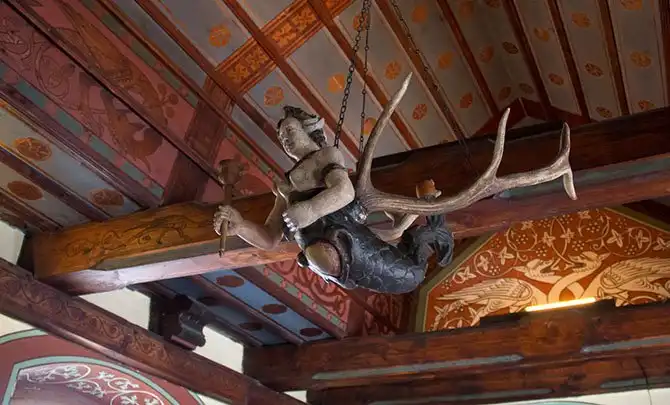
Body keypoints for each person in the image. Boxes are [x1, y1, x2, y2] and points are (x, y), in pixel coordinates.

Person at [214, 106, 453, 293]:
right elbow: (270, 238)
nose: (284, 138)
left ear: (308, 131)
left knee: (404, 272)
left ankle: (432, 224)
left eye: (290, 130)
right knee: (320, 256)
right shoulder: (285, 186)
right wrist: (241, 226)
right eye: (281, 135)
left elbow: (345, 191)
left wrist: (310, 209)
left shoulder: (326, 157)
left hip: (342, 239)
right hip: (324, 250)